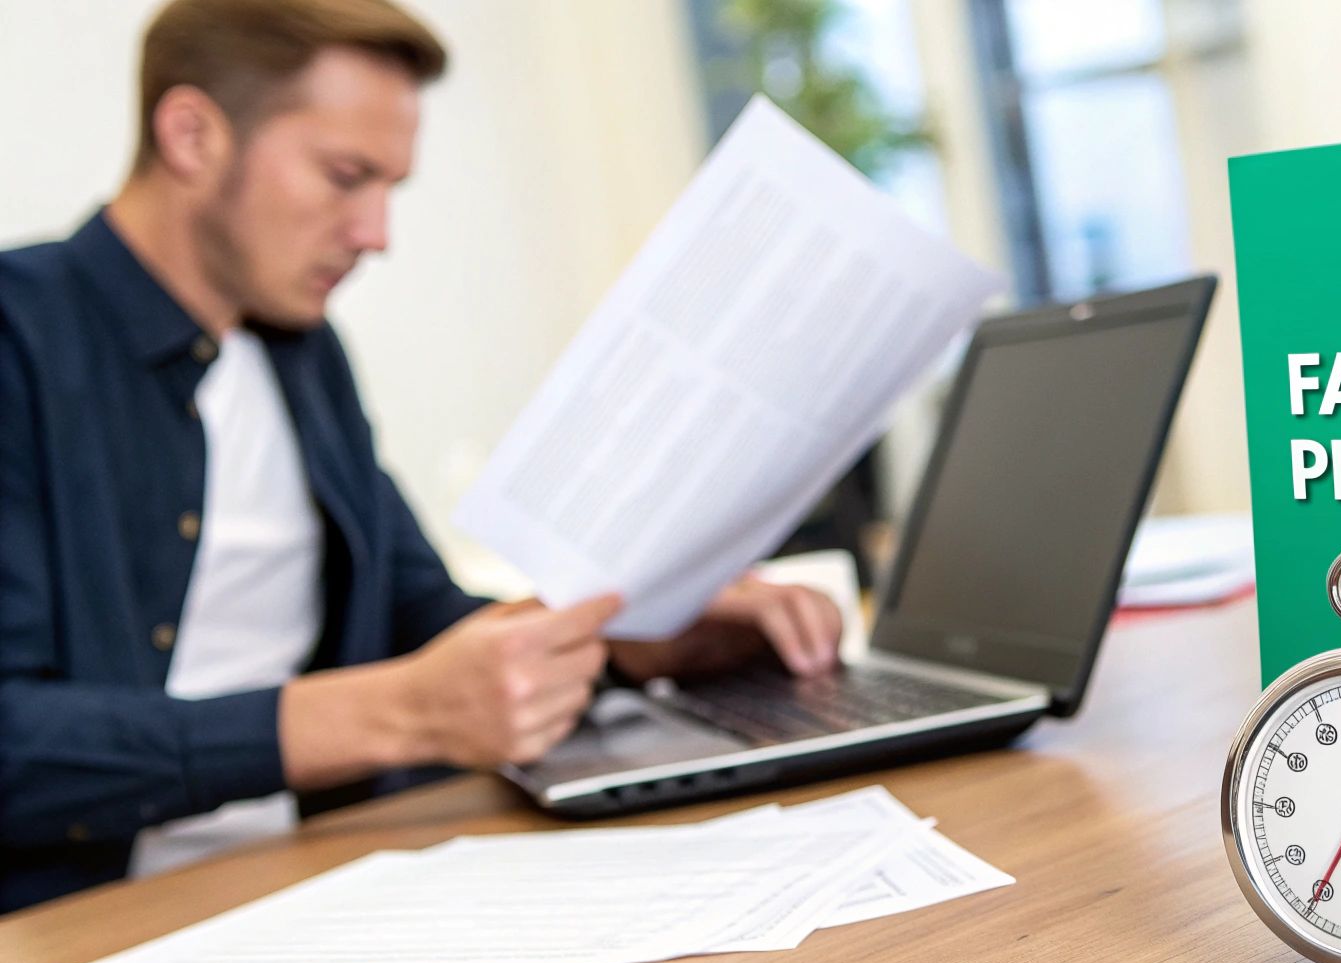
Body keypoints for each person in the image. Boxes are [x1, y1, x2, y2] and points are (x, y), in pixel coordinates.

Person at [0, 0, 844, 913]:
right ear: (191, 134)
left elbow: (420, 618)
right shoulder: (19, 338)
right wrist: (397, 713)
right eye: (345, 175)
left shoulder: (301, 355)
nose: (376, 233)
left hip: (314, 886)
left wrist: (638, 637)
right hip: (73, 930)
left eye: (389, 188)